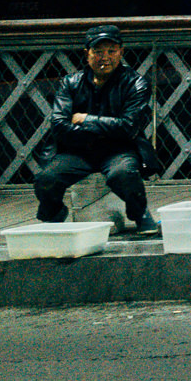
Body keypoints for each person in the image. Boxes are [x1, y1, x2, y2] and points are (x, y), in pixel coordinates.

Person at [32, 25, 159, 233]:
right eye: (98, 51)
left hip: (119, 150)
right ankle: (54, 213)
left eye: (111, 51)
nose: (105, 57)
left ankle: (140, 215)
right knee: (46, 179)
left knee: (124, 173)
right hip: (79, 150)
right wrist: (107, 126)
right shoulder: (70, 83)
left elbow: (128, 128)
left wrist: (85, 119)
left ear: (121, 52)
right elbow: (59, 126)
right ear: (87, 54)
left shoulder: (136, 83)